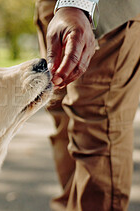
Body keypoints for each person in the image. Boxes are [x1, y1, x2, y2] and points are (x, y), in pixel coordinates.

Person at [34, 0, 140, 210]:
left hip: (99, 8)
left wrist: (76, 4)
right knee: (62, 114)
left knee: (96, 130)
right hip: (52, 6)